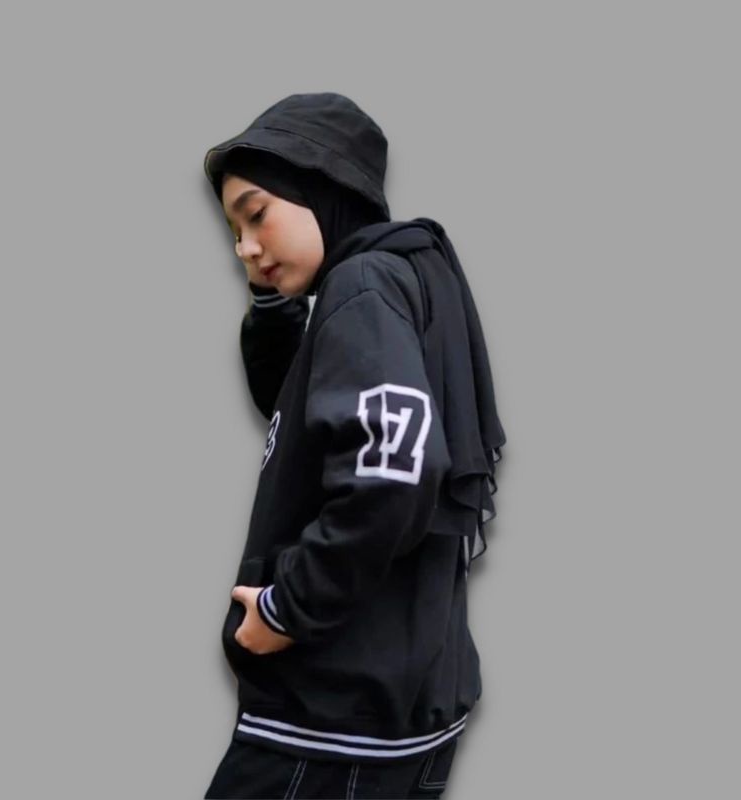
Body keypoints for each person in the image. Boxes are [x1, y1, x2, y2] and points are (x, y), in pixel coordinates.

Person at [201, 92, 506, 799]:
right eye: (233, 232)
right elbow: (298, 414)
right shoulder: (408, 277)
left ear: (324, 187)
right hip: (407, 707)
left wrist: (287, 610)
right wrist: (272, 301)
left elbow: (393, 474)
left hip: (328, 721)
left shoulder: (361, 285)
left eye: (256, 214)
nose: (245, 247)